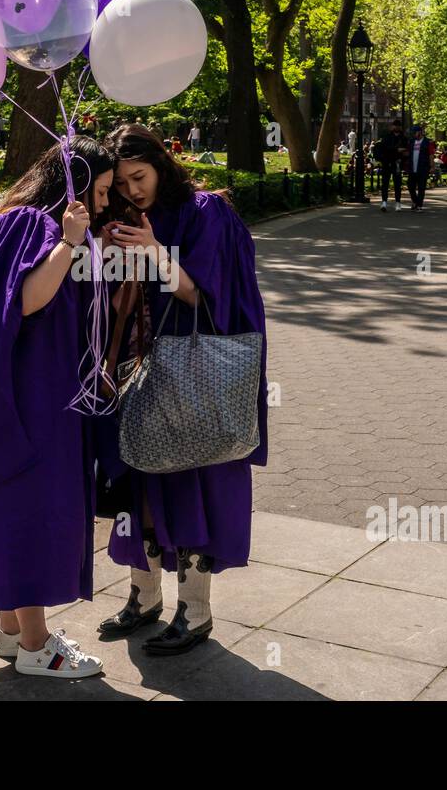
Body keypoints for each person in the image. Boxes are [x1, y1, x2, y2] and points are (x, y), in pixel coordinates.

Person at [0, 135, 118, 680]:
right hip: (28, 394)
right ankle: (39, 647)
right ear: (79, 184)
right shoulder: (34, 227)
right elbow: (23, 299)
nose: (107, 203)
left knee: (8, 501)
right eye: (105, 190)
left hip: (11, 389)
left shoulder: (15, 221)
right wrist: (70, 244)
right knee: (30, 505)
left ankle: (11, 632)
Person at [94, 124, 268, 656]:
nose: (132, 190)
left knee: (195, 484)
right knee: (138, 486)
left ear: (162, 163)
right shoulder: (123, 216)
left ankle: (195, 612)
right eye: (121, 183)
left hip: (193, 372)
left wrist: (156, 253)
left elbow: (209, 301)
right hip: (137, 369)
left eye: (139, 177)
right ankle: (144, 596)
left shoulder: (206, 213)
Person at [373, 119, 405, 212]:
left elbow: (406, 150)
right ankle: (384, 202)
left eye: (398, 126)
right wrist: (396, 150)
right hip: (386, 162)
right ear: (392, 127)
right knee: (385, 183)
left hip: (397, 163)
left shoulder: (403, 138)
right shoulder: (386, 137)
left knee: (397, 184)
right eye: (395, 126)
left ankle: (398, 203)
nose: (396, 127)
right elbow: (384, 148)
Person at [406, 124, 434, 211]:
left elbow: (431, 155)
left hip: (423, 168)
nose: (414, 134)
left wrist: (432, 166)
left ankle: (419, 205)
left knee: (421, 187)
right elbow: (408, 153)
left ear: (420, 132)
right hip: (412, 168)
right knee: (410, 186)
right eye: (413, 133)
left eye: (415, 132)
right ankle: (415, 201)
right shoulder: (411, 141)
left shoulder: (427, 142)